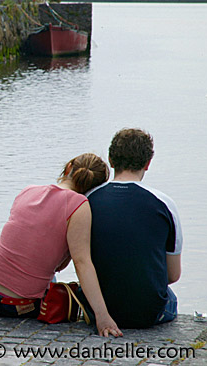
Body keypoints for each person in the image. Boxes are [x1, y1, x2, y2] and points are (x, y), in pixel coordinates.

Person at [0, 153, 123, 337]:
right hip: (18, 307)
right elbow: (81, 263)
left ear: (68, 167)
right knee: (46, 276)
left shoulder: (28, 190)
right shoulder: (80, 206)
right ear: (93, 188)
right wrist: (102, 316)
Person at [80, 128, 183, 328]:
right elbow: (172, 275)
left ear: (110, 160)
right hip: (148, 313)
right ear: (148, 163)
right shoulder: (165, 204)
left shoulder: (86, 200)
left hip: (96, 310)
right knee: (169, 296)